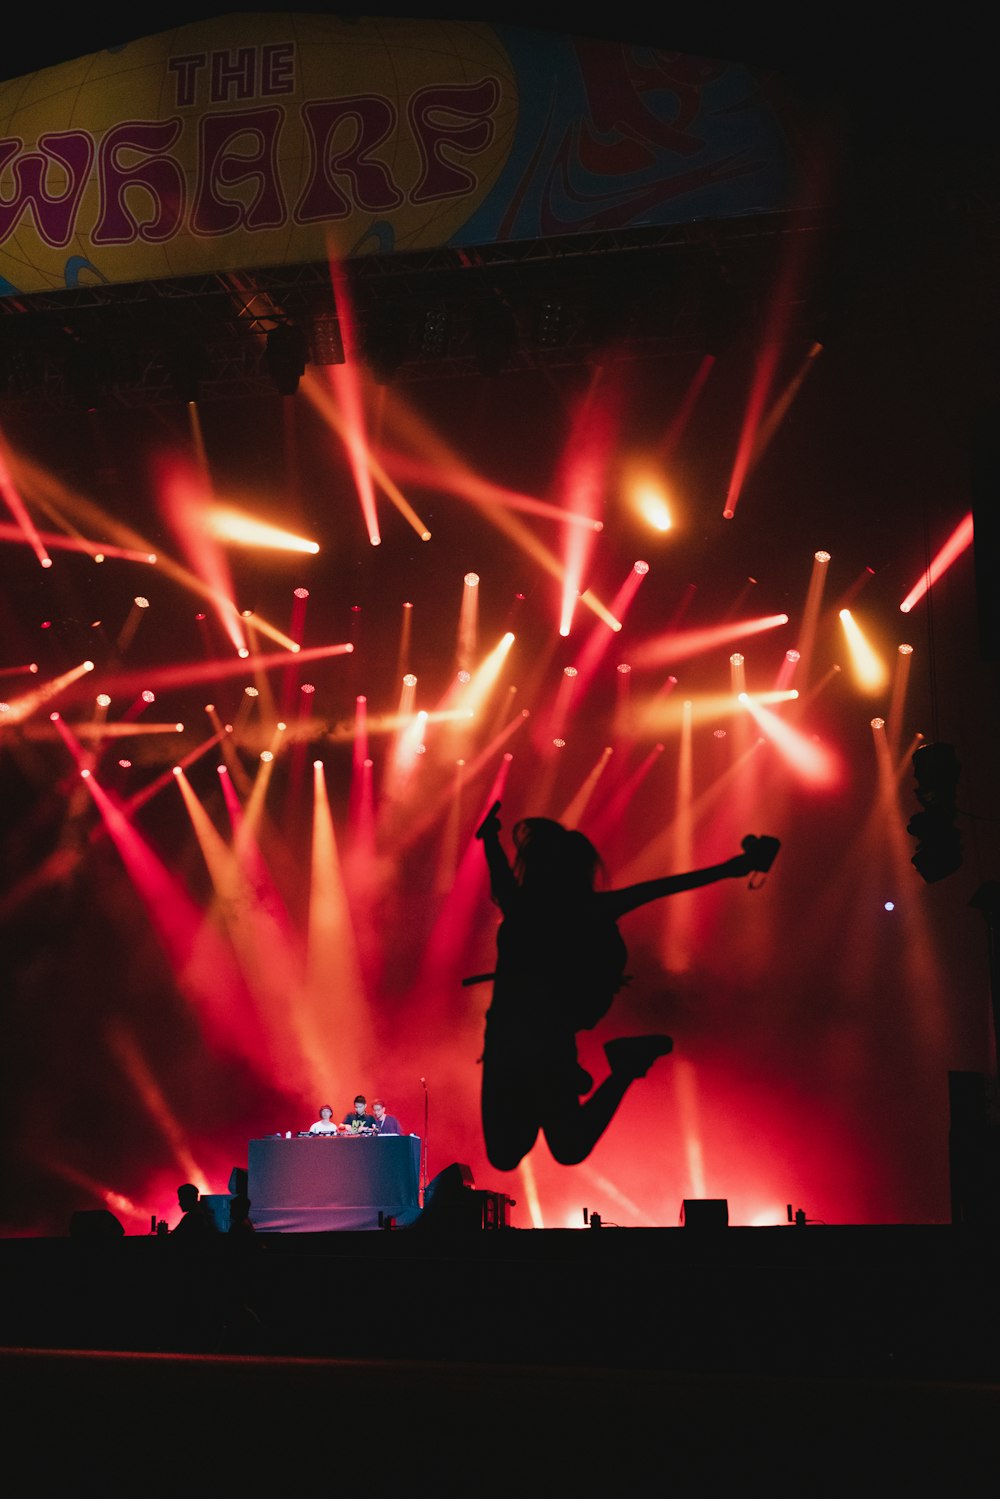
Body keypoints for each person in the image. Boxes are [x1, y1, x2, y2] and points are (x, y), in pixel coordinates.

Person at [474, 800, 777, 1172]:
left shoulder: (523, 905)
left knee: (522, 1153)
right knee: (554, 1149)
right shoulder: (574, 908)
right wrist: (736, 867)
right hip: (533, 1041)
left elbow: (500, 870)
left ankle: (626, 1068)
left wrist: (489, 836)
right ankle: (626, 1067)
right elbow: (662, 887)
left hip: (521, 1041)